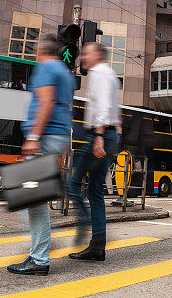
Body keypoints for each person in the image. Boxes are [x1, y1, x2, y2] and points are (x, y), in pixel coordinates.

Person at [7, 35, 75, 276]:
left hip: (45, 137)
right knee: (34, 197)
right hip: (58, 137)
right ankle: (40, 249)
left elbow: (45, 102)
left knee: (31, 198)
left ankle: (39, 257)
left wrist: (33, 136)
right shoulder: (65, 72)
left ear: (42, 51)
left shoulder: (46, 68)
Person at [67, 42, 122, 262]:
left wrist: (98, 136)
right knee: (95, 192)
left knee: (72, 183)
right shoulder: (110, 74)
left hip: (99, 135)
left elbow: (103, 107)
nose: (82, 57)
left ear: (97, 55)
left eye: (86, 54)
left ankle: (84, 222)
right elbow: (114, 111)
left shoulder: (99, 73)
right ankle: (97, 245)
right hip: (109, 135)